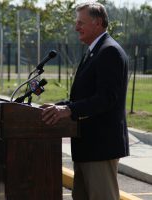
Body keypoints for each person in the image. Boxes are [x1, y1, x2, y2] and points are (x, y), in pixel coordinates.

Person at [41, 2, 129, 200]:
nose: (76, 27)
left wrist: (69, 110)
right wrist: (61, 106)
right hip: (86, 146)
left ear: (97, 23)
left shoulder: (109, 51)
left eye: (80, 22)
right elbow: (82, 97)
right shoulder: (94, 51)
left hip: (100, 146)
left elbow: (106, 99)